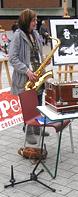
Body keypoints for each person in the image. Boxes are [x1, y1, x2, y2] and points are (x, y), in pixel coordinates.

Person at [9, 8, 49, 145]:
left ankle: (37, 127)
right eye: (33, 20)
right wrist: (27, 71)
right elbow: (12, 58)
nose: (35, 22)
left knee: (39, 102)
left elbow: (39, 52)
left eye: (36, 20)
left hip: (38, 74)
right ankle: (29, 131)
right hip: (26, 77)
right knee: (29, 105)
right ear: (26, 21)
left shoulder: (36, 34)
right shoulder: (18, 35)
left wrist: (45, 61)